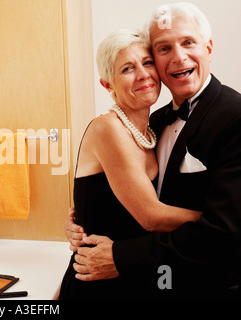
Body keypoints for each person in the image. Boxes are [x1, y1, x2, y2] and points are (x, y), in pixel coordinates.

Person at [65, 2, 241, 298]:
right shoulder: (153, 123)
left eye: (188, 42)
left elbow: (224, 231)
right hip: (128, 281)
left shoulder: (235, 116)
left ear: (208, 47)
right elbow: (144, 210)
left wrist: (121, 254)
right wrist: (82, 218)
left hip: (205, 284)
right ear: (108, 83)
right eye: (163, 49)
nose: (178, 57)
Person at [57, 28, 201, 300]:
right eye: (127, 69)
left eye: (147, 63)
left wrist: (76, 218)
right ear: (107, 84)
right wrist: (220, 221)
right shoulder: (107, 128)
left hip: (134, 273)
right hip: (98, 279)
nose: (144, 74)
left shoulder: (153, 128)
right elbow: (151, 217)